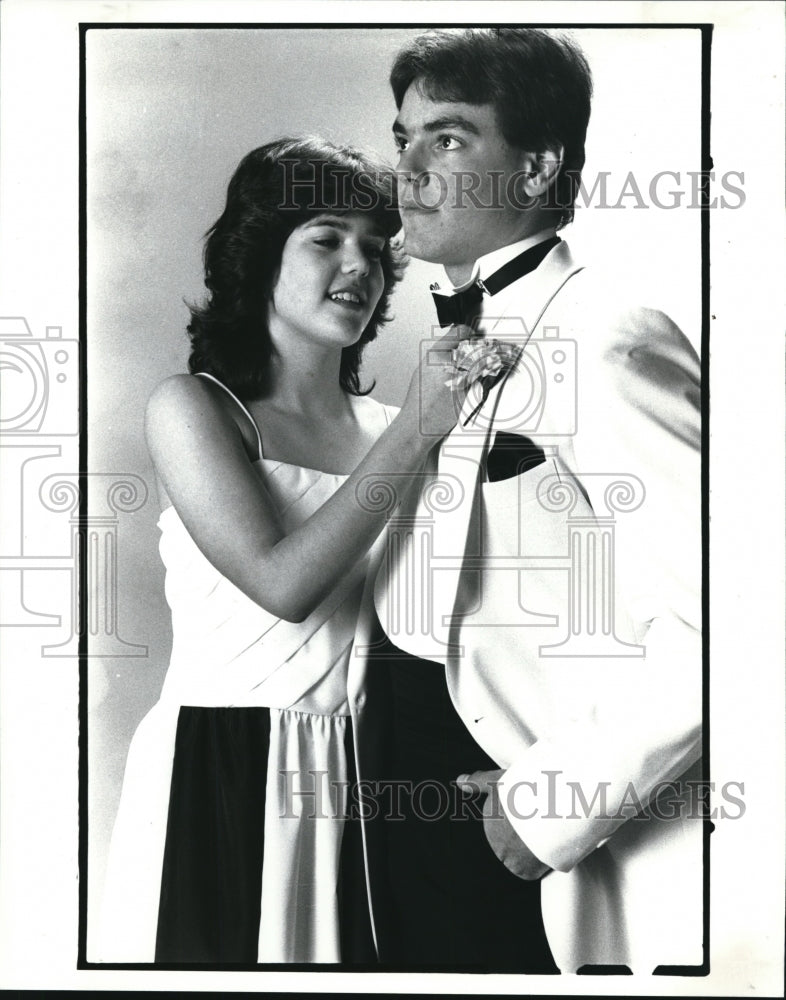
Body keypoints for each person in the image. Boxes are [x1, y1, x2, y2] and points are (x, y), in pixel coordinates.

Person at [352, 28, 702, 974]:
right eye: (404, 138)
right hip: (392, 772)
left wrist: (547, 806)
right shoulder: (430, 349)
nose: (409, 171)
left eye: (450, 139)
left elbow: (728, 627)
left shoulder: (609, 338)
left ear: (541, 163)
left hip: (524, 811)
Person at [96, 136, 469, 965]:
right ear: (261, 252)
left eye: (376, 248)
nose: (359, 266)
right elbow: (283, 583)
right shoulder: (195, 408)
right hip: (220, 772)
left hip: (368, 781)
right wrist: (422, 423)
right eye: (326, 237)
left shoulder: (391, 434)